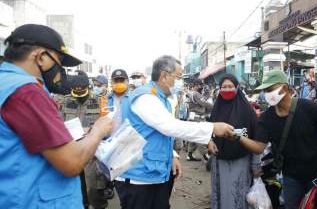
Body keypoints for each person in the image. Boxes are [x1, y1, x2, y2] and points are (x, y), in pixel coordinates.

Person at [0, 24, 112, 208]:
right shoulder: (28, 92)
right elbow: (72, 163)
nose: (60, 70)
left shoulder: (6, 83)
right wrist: (98, 131)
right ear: (40, 56)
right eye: (58, 61)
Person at [114, 55, 235, 209]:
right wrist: (212, 128)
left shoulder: (161, 98)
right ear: (164, 76)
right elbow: (169, 126)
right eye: (178, 77)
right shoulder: (146, 97)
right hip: (139, 177)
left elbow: (156, 135)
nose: (180, 82)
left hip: (154, 174)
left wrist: (172, 155)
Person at [236, 70, 317, 209]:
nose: (267, 94)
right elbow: (259, 147)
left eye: (270, 89)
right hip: (291, 177)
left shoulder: (309, 107)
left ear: (285, 88)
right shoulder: (266, 119)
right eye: (265, 90)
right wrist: (238, 138)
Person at [208, 74, 260, 209]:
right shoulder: (216, 108)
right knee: (220, 196)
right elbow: (208, 131)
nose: (226, 89)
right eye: (223, 87)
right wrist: (209, 142)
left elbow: (256, 138)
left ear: (237, 87)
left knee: (238, 197)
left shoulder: (247, 110)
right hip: (219, 161)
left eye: (230, 86)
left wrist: (256, 165)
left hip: (241, 162)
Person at [62, 71, 109, 209]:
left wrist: (93, 130)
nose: (78, 94)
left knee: (94, 189)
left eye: (81, 91)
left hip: (93, 152)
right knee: (76, 188)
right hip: (72, 151)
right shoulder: (65, 101)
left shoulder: (99, 101)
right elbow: (58, 123)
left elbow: (108, 125)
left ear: (88, 87)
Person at [186, 79, 214, 161]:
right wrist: (215, 106)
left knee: (193, 137)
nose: (202, 87)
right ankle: (206, 155)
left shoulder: (193, 94)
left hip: (194, 118)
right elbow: (204, 103)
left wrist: (208, 93)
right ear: (196, 85)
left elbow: (202, 99)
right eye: (201, 85)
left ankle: (190, 154)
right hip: (197, 118)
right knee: (200, 136)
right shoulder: (196, 94)